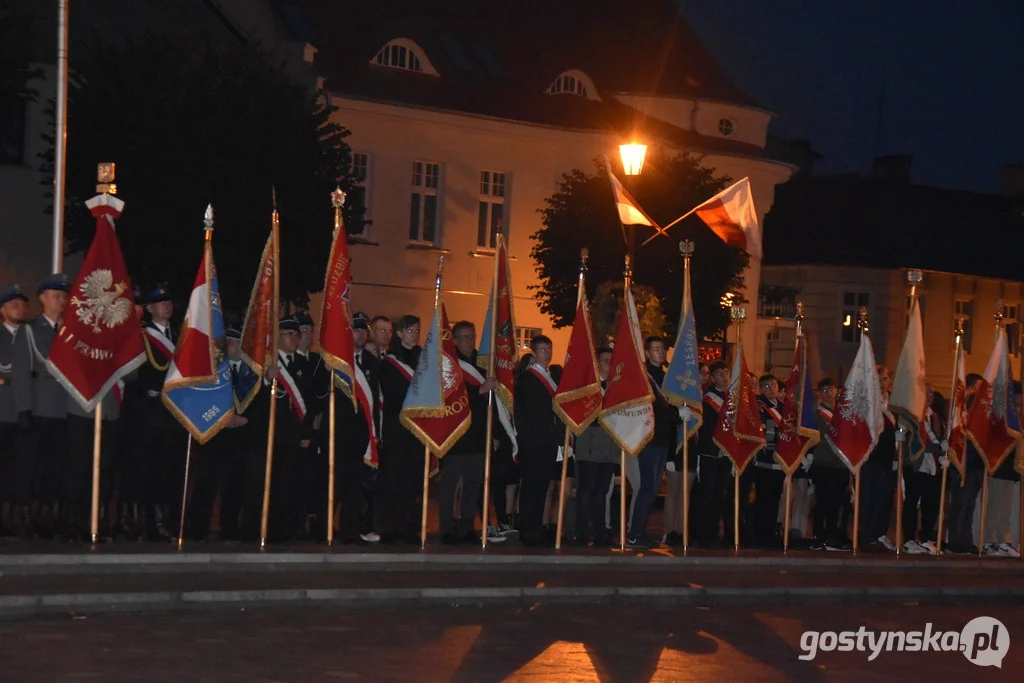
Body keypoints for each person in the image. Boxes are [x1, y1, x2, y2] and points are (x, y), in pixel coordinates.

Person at [440, 321, 508, 544]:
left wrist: (495, 433)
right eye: (463, 337)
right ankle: (447, 529)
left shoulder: (483, 363)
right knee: (450, 485)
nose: (468, 341)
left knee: (473, 484)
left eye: (471, 336)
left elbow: (494, 403)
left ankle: (466, 527)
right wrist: (479, 390)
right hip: (456, 434)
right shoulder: (450, 363)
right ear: (455, 339)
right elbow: (451, 395)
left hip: (479, 434)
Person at [189, 328, 251, 541]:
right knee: (206, 483)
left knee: (234, 486)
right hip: (215, 435)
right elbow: (202, 401)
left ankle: (229, 528)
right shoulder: (213, 372)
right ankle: (197, 528)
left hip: (239, 438)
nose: (239, 348)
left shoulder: (248, 373)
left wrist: (245, 419)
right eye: (234, 343)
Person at [23, 273, 70, 538]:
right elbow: (22, 371)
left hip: (66, 408)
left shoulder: (72, 331)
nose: (60, 301)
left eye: (64, 296)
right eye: (55, 296)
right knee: (35, 465)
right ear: (42, 298)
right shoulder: (30, 330)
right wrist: (25, 408)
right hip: (40, 407)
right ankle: (33, 516)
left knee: (58, 465)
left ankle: (52, 515)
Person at [627, 337, 679, 548]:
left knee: (654, 487)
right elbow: (654, 409)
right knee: (647, 487)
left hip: (662, 439)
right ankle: (634, 532)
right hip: (648, 439)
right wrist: (676, 413)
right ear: (647, 353)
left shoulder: (665, 377)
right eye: (656, 349)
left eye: (663, 348)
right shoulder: (644, 378)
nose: (661, 352)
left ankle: (641, 531)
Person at [376, 314, 423, 544]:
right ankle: (388, 528)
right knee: (392, 479)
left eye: (417, 331)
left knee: (412, 481)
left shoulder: (424, 359)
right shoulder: (390, 362)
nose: (415, 335)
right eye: (410, 331)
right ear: (400, 333)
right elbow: (392, 395)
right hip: (397, 428)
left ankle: (409, 528)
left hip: (418, 430)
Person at [514, 335, 563, 547]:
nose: (546, 354)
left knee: (542, 486)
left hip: (548, 440)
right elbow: (532, 411)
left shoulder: (550, 376)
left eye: (549, 349)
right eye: (542, 350)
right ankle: (527, 529)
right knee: (531, 486)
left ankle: (536, 527)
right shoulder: (529, 378)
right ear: (533, 353)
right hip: (533, 440)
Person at [575, 347, 617, 546]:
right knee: (587, 491)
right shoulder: (589, 386)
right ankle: (582, 532)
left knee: (602, 492)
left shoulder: (616, 387)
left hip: (609, 447)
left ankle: (600, 532)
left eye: (612, 360)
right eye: (606, 360)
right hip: (590, 445)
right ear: (597, 363)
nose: (610, 364)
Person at [0, 284, 32, 537]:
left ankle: (15, 515)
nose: (20, 309)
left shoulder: (30, 335)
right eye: (14, 305)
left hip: (25, 408)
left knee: (20, 466)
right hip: (2, 409)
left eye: (22, 305)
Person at [901, 384, 946, 555]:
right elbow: (910, 442)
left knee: (931, 504)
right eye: (926, 393)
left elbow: (941, 438)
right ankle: (908, 539)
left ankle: (927, 539)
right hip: (916, 464)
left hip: (933, 466)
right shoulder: (912, 416)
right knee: (912, 502)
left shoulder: (935, 417)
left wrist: (943, 451)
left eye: (932, 394)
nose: (930, 397)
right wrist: (934, 447)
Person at [859, 366, 898, 552]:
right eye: (880, 378)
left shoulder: (895, 402)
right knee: (867, 497)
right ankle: (865, 536)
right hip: (869, 457)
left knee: (884, 498)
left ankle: (879, 534)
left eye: (886, 378)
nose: (884, 382)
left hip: (888, 458)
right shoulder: (868, 402)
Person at [808, 378, 851, 551]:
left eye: (830, 389)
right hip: (823, 461)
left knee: (837, 502)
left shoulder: (842, 414)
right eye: (824, 390)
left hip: (840, 463)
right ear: (819, 393)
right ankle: (819, 535)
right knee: (823, 500)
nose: (828, 393)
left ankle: (832, 535)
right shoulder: (817, 413)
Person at [694, 360, 732, 549]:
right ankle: (701, 534)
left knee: (720, 495)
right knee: (705, 494)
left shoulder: (733, 398)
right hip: (709, 452)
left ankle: (715, 532)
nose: (724, 377)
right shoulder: (709, 398)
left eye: (726, 373)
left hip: (726, 455)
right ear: (713, 378)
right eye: (719, 373)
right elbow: (708, 427)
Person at [946, 374, 985, 554]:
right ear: (971, 386)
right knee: (959, 503)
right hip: (963, 460)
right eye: (979, 386)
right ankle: (954, 540)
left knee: (970, 504)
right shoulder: (963, 405)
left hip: (976, 462)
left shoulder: (981, 409)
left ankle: (966, 539)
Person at [752, 374, 785, 549]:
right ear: (761, 389)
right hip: (764, 460)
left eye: (774, 385)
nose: (771, 388)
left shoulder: (784, 408)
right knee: (763, 499)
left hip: (780, 461)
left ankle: (771, 533)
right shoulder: (759, 407)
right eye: (767, 386)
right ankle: (759, 534)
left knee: (775, 499)